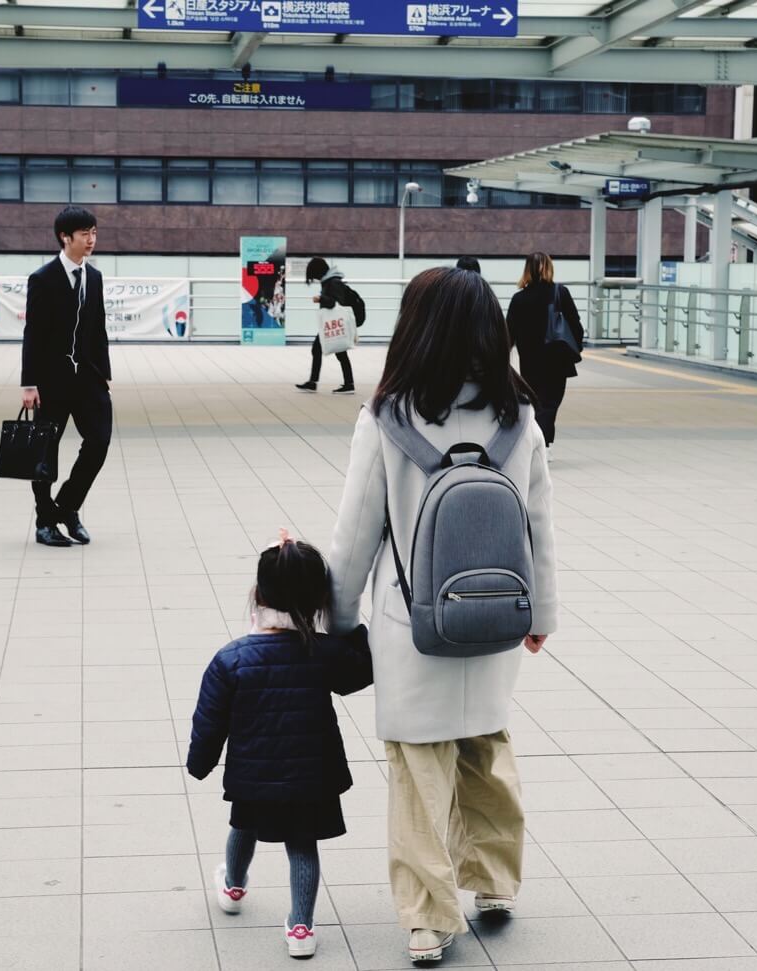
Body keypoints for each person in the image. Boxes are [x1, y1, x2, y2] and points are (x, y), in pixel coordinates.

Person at [326, 267, 559, 964]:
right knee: (486, 747)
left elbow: (355, 534)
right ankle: (492, 882)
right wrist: (539, 611)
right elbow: (539, 527)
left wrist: (338, 623)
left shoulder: (388, 417)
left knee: (418, 768)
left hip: (413, 625)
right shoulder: (519, 417)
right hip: (493, 618)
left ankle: (429, 919)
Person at [187, 533, 372, 960]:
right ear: (318, 600)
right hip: (312, 775)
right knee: (302, 845)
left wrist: (200, 763)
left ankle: (233, 886)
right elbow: (361, 670)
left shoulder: (232, 658)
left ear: (259, 594)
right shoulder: (323, 652)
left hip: (254, 773)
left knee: (244, 826)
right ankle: (301, 928)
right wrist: (353, 626)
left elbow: (209, 719)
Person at [20, 206, 111, 547]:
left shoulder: (95, 277)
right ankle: (45, 523)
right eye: (85, 234)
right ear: (65, 237)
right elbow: (33, 334)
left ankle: (67, 508)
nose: (92, 240)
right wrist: (28, 383)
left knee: (99, 442)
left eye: (94, 233)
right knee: (47, 454)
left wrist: (104, 373)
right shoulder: (43, 279)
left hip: (89, 379)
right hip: (51, 383)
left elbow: (97, 328)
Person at [506, 252, 584, 448]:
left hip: (530, 361)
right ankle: (544, 444)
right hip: (557, 359)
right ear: (549, 268)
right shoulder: (560, 293)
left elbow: (509, 333)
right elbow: (576, 325)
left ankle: (537, 442)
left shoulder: (518, 299)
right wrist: (576, 348)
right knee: (551, 403)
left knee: (535, 402)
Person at [296, 257, 357, 395]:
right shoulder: (329, 281)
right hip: (331, 324)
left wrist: (321, 298)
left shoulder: (333, 282)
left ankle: (346, 384)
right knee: (326, 351)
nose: (315, 279)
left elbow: (335, 303)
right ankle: (316, 382)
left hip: (335, 324)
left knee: (335, 352)